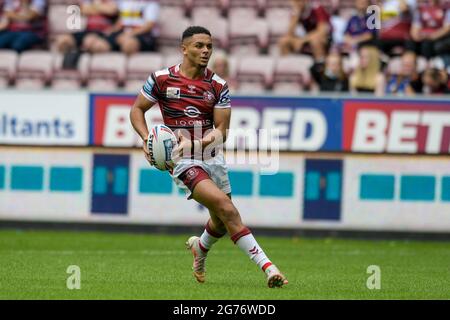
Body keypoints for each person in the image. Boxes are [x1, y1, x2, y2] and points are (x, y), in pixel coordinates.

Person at [129, 26, 288, 288]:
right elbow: (137, 110)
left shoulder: (218, 85)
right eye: (199, 46)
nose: (205, 51)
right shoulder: (160, 79)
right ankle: (270, 269)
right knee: (227, 209)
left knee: (221, 221)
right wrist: (147, 139)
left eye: (209, 47)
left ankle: (200, 248)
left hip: (211, 156)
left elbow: (222, 131)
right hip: (181, 159)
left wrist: (198, 142)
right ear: (184, 48)